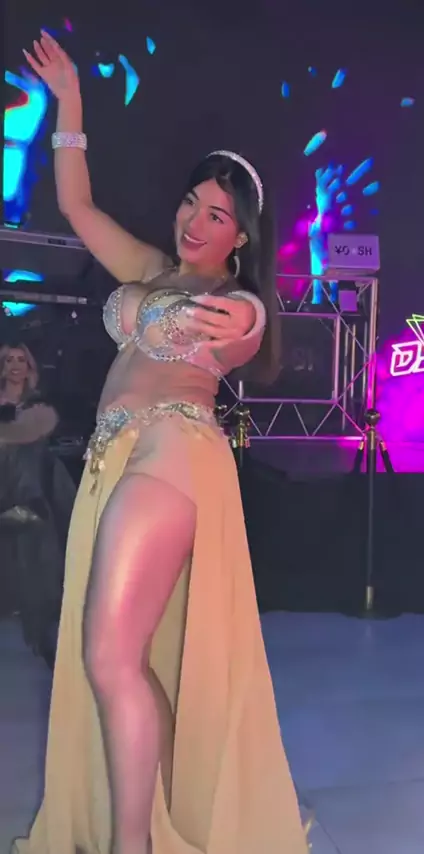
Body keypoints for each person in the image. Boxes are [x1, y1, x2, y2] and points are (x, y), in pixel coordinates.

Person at [13, 31, 310, 854]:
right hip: (114, 458)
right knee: (118, 657)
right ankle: (144, 830)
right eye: (191, 203)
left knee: (110, 655)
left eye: (218, 215)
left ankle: (132, 846)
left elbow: (246, 325)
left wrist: (242, 318)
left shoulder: (236, 299)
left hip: (172, 453)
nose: (195, 221)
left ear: (241, 236)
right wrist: (71, 101)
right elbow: (78, 209)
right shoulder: (149, 270)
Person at [0, 343, 76, 669]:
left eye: (21, 360)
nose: (15, 366)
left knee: (39, 577)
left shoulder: (40, 406)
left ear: (29, 367)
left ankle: (51, 650)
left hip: (33, 497)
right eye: (9, 360)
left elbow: (31, 435)